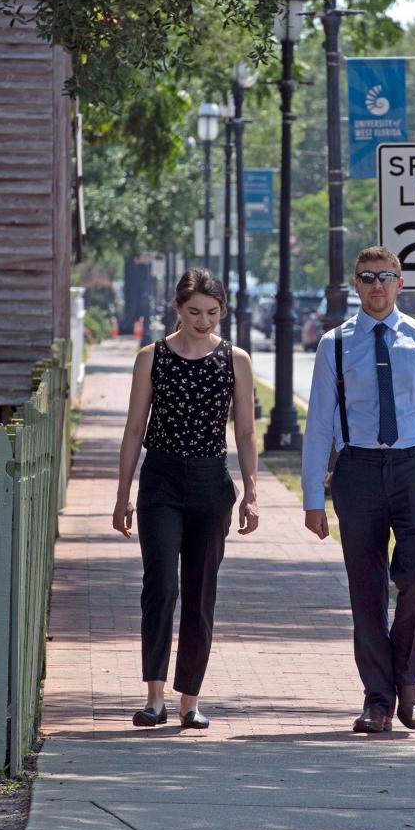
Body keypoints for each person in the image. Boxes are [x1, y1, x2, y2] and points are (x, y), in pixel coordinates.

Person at [302, 246, 415, 733]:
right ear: (355, 284)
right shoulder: (334, 344)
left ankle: (408, 681)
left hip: (414, 469)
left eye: (386, 277)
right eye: (367, 277)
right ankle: (377, 699)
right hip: (356, 471)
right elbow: (317, 426)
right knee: (366, 587)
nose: (377, 286)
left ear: (401, 283)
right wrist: (314, 497)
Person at [113, 268, 259, 729]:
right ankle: (153, 697)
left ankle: (189, 700)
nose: (204, 321)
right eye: (194, 312)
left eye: (213, 312)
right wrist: (123, 494)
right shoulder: (151, 357)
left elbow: (246, 430)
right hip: (161, 480)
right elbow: (135, 428)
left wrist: (251, 493)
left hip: (210, 483)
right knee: (161, 585)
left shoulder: (235, 359)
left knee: (200, 593)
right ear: (177, 308)